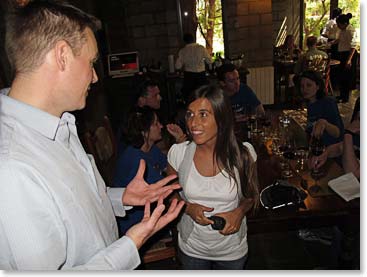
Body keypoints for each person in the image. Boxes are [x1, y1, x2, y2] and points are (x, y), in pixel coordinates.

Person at [0, 0, 184, 270]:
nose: (95, 77)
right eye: (91, 62)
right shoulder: (12, 167)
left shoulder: (59, 121)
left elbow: (70, 206)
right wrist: (130, 245)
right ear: (61, 56)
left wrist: (120, 197)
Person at [166, 85, 259, 269]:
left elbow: (252, 196)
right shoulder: (178, 153)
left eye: (203, 114)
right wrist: (188, 207)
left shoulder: (244, 154)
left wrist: (238, 213)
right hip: (192, 248)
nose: (193, 123)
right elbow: (169, 193)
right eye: (190, 114)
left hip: (232, 249)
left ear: (221, 118)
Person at [309, 97, 359, 178]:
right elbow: (341, 147)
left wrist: (348, 134)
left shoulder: (328, 103)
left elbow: (353, 174)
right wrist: (326, 153)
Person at [298, 70, 344, 147]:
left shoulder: (328, 102)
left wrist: (324, 124)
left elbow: (338, 133)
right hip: (316, 146)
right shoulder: (310, 102)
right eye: (302, 86)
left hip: (330, 149)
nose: (304, 89)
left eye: (309, 85)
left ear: (318, 86)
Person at [175, 33, 212, 102]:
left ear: (184, 41)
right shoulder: (201, 48)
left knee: (190, 97)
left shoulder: (182, 51)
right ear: (193, 39)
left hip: (189, 76)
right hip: (201, 76)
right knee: (203, 95)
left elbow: (177, 66)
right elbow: (210, 61)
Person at [331, 13, 357, 103]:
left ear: (345, 23)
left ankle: (345, 98)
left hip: (349, 54)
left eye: (339, 24)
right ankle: (341, 95)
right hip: (342, 53)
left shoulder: (351, 30)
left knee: (347, 76)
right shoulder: (342, 30)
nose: (338, 26)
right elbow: (339, 40)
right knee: (341, 75)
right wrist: (331, 43)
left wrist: (349, 60)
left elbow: (353, 46)